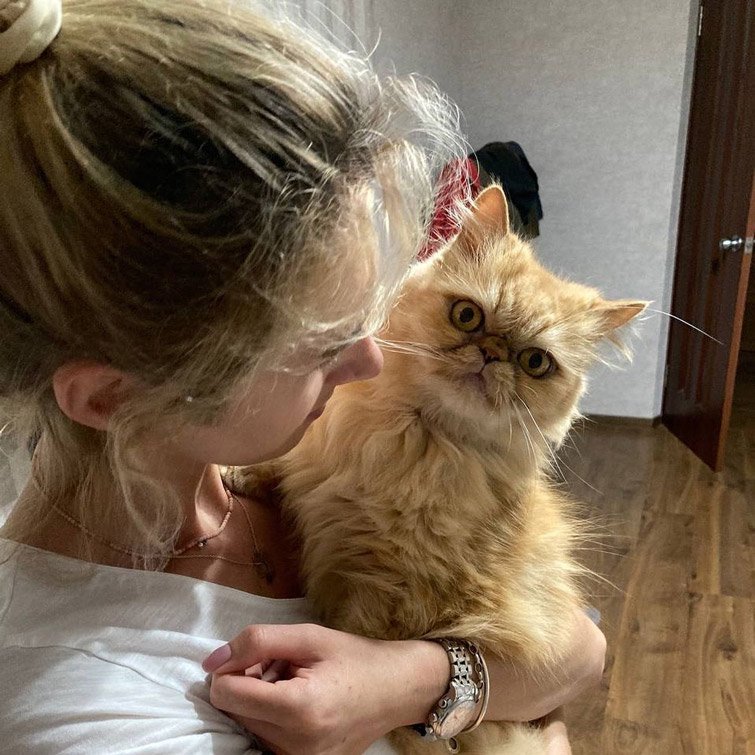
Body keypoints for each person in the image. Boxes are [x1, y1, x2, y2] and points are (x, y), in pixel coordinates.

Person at [0, 0, 606, 753]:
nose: (370, 360)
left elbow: (581, 648)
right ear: (111, 395)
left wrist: (414, 680)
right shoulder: (86, 719)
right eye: (323, 345)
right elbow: (555, 677)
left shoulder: (246, 464)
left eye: (368, 314)